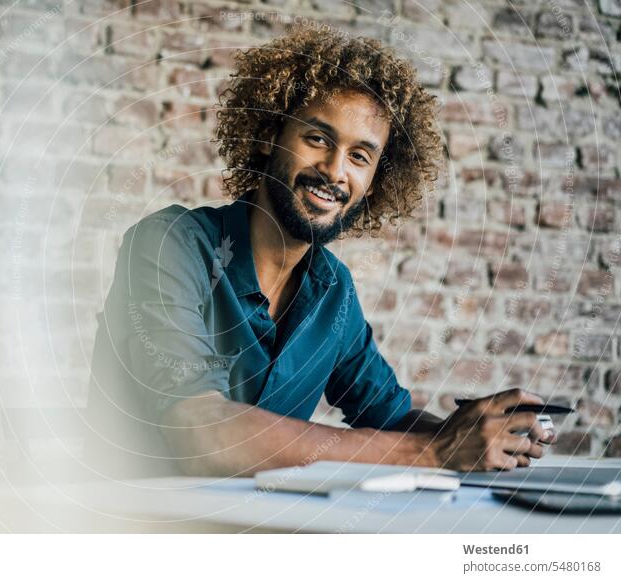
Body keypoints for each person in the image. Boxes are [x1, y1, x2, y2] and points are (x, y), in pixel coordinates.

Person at [87, 27, 555, 479]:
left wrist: (479, 435)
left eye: (359, 156)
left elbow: (391, 421)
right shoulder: (170, 245)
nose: (335, 170)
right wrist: (434, 451)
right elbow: (204, 433)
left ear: (376, 179)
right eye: (317, 139)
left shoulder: (333, 292)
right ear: (271, 134)